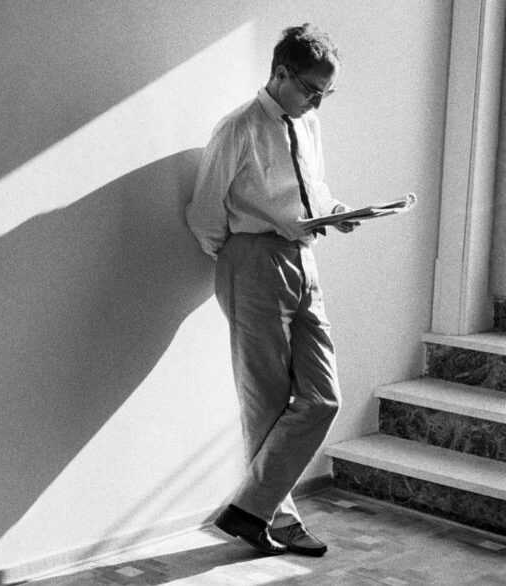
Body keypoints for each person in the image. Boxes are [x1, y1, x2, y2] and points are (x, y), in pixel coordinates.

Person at [185, 23, 357, 557]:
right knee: (266, 400)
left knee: (323, 397)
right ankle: (276, 520)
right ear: (280, 73)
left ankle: (248, 510)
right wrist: (242, 254)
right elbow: (205, 214)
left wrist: (335, 214)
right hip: (253, 260)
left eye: (325, 95)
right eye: (310, 90)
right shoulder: (237, 128)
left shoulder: (308, 126)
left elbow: (315, 190)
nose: (316, 103)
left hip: (304, 257)